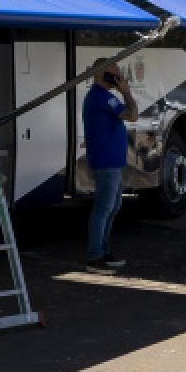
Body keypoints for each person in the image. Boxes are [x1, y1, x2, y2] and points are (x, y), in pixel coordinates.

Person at [83, 58, 138, 274]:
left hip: (112, 160)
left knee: (113, 207)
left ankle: (103, 250)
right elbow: (132, 115)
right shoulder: (101, 97)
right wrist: (126, 92)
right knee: (104, 207)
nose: (118, 75)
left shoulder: (105, 97)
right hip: (106, 161)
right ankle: (95, 255)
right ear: (101, 73)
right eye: (113, 71)